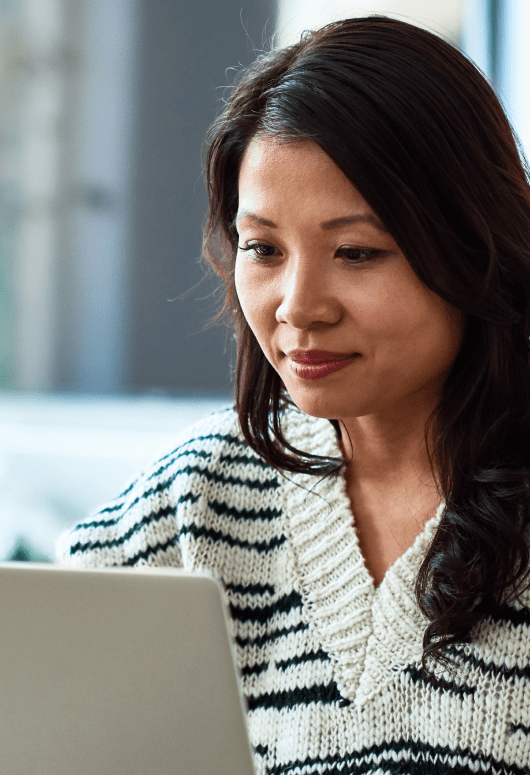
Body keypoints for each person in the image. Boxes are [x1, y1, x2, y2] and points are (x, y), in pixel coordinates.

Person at [58, 15, 530, 774]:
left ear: (475, 244)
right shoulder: (200, 494)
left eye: (356, 251)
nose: (297, 304)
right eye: (263, 248)